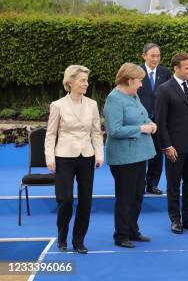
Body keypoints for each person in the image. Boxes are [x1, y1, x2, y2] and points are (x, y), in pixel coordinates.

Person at [44, 65, 104, 254]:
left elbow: (96, 132)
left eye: (87, 80)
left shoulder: (92, 104)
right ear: (70, 82)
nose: (86, 84)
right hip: (64, 157)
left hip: (87, 156)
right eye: (82, 80)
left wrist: (99, 154)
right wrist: (50, 158)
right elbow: (50, 134)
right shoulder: (58, 105)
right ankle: (62, 238)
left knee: (86, 201)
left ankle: (79, 241)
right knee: (66, 200)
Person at [104, 63, 157, 248]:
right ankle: (121, 235)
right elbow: (114, 129)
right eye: (139, 81)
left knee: (137, 196)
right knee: (125, 197)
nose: (141, 85)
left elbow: (142, 116)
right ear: (128, 80)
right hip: (123, 157)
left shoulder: (133, 95)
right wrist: (141, 129)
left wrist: (150, 123)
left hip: (139, 154)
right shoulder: (114, 99)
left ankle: (133, 230)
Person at [155, 52, 188, 234]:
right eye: (187, 68)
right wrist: (167, 146)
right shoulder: (164, 89)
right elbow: (161, 122)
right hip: (175, 147)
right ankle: (175, 220)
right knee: (174, 184)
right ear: (176, 68)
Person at [138, 43, 172, 195]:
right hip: (139, 121)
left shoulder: (165, 73)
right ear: (144, 56)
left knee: (157, 155)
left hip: (159, 120)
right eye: (152, 56)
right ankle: (137, 185)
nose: (156, 59)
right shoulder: (136, 72)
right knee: (138, 155)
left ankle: (152, 184)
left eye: (158, 56)